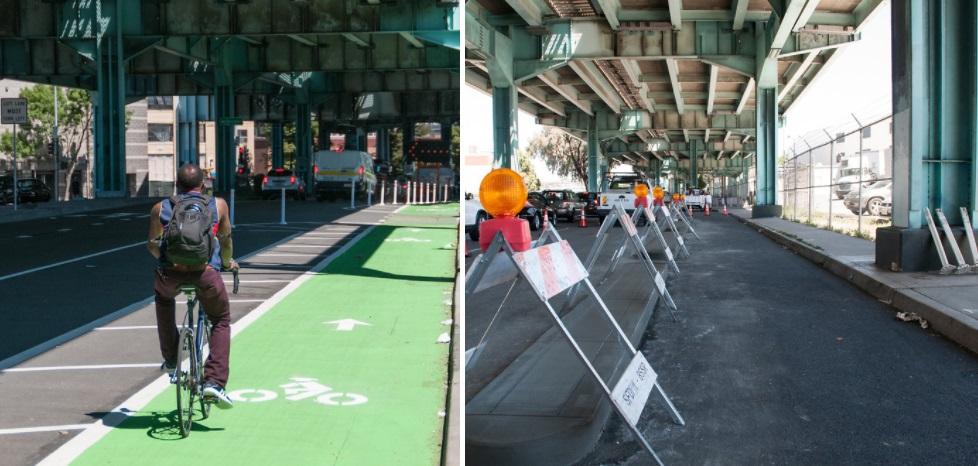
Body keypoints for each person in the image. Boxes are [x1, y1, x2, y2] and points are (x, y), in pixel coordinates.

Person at [147, 163, 237, 409]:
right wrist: (227, 263)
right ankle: (214, 383)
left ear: (176, 184)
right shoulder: (218, 206)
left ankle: (171, 358)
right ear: (203, 184)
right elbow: (225, 240)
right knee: (220, 320)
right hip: (205, 274)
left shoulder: (160, 208)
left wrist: (169, 261)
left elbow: (153, 245)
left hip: (171, 275)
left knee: (164, 301)